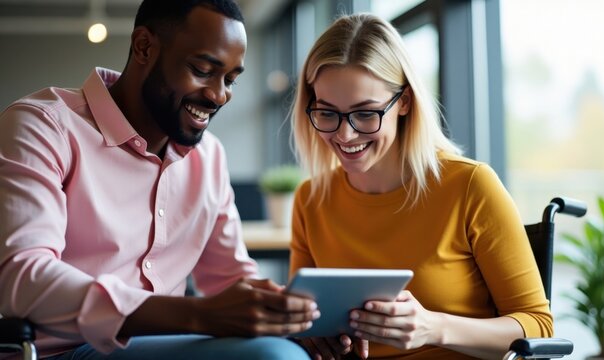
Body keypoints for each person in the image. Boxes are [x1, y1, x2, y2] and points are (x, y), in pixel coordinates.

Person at [0, 1, 318, 359]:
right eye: (202, 70)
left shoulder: (209, 156)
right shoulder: (42, 127)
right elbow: (23, 280)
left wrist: (297, 320)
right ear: (144, 47)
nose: (218, 95)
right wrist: (197, 316)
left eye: (230, 80)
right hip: (61, 352)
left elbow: (229, 279)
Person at [289, 13, 553, 360]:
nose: (344, 134)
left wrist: (433, 326)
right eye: (326, 112)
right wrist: (306, 334)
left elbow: (538, 326)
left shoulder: (469, 186)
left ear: (404, 102)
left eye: (365, 113)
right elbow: (299, 317)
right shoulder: (311, 199)